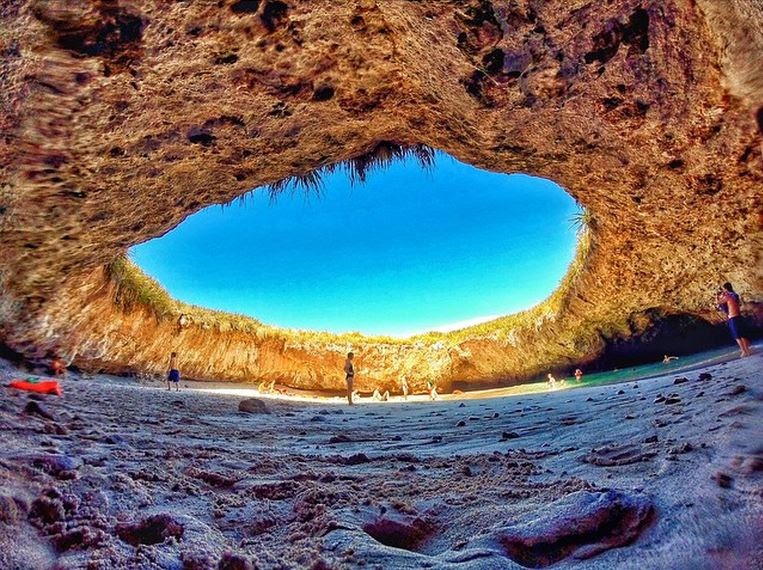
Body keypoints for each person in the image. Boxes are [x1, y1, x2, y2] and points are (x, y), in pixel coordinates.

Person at [716, 282, 752, 357]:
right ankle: (747, 350)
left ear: (725, 289)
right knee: (742, 334)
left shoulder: (728, 296)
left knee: (737, 336)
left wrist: (717, 296)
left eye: (724, 289)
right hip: (738, 316)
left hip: (733, 317)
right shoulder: (735, 295)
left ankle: (744, 351)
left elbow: (718, 302)